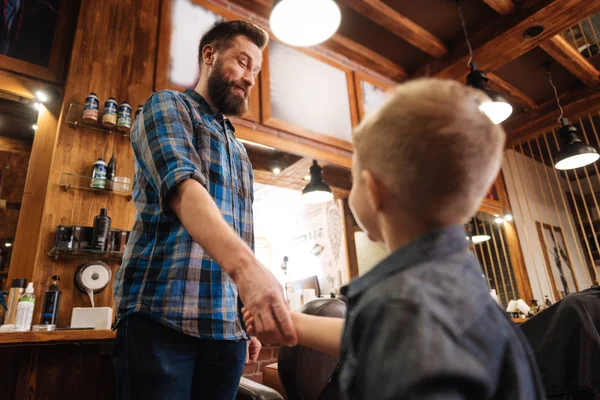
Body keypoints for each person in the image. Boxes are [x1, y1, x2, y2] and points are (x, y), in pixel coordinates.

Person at [245, 79, 546, 399]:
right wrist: (290, 324)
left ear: (374, 191)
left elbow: (396, 329)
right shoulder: (454, 286)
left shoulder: (403, 308)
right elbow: (374, 333)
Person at [113, 20, 297, 400]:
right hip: (162, 318)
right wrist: (250, 273)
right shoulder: (168, 106)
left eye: (256, 72)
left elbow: (239, 231)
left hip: (227, 333)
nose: (249, 78)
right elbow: (183, 189)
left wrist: (243, 316)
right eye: (243, 63)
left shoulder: (240, 152)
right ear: (209, 55)